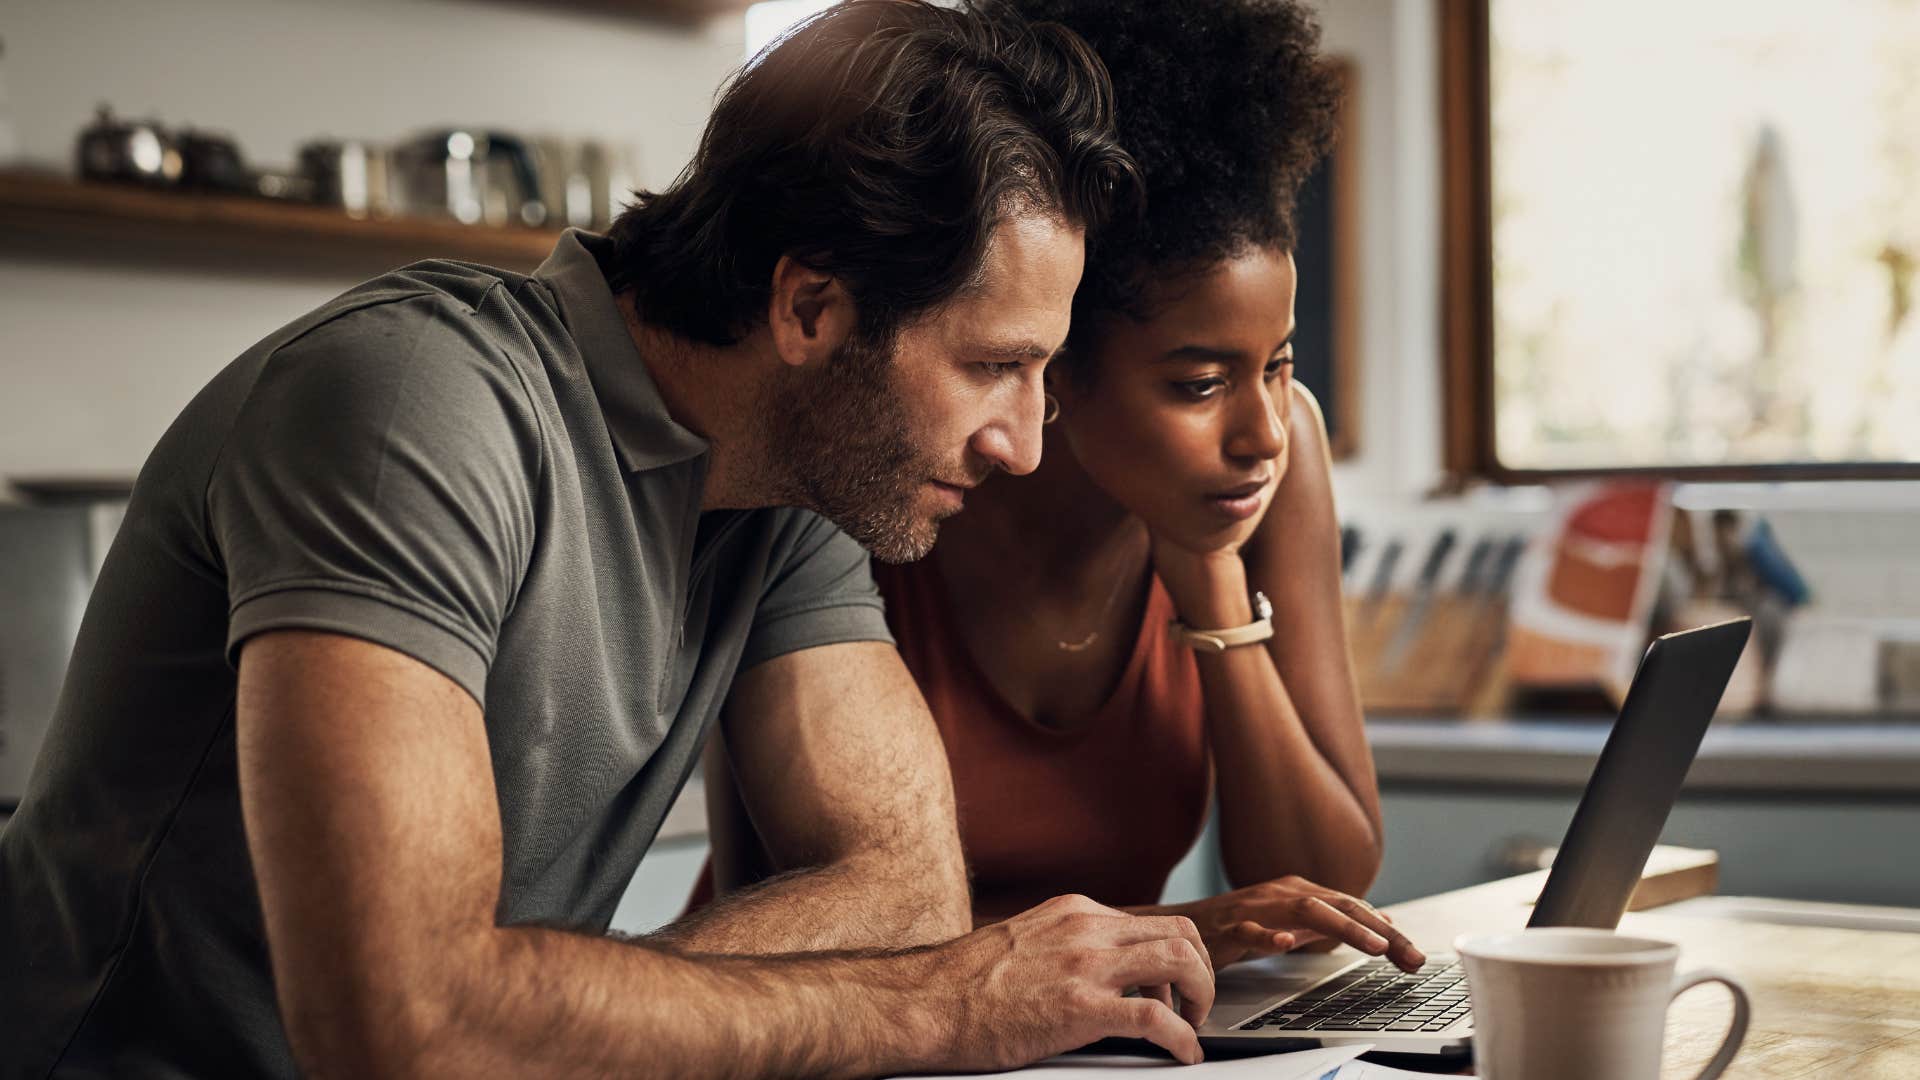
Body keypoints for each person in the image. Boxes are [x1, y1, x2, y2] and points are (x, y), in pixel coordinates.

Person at [0, 4, 1230, 1076]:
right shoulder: (412, 404)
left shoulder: (791, 489)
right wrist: (948, 1007)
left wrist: (541, 1016)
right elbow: (403, 1028)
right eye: (992, 367)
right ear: (809, 308)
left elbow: (907, 898)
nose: (1023, 442)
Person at [698, 0, 1426, 976]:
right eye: (1198, 384)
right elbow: (794, 916)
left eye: (1281, 364)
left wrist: (1209, 580)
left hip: (1089, 1035)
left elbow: (1324, 884)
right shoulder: (878, 479)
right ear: (1056, 362)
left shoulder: (1268, 462)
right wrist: (1175, 931)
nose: (1260, 431)